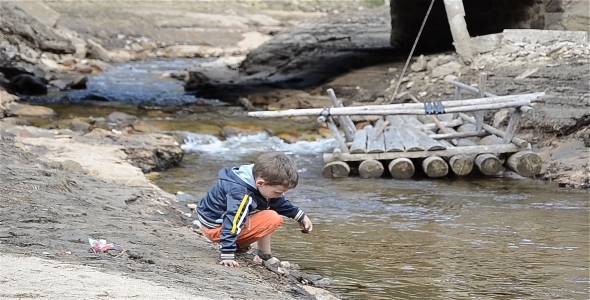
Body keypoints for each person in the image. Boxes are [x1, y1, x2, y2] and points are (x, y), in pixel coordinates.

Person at [197, 151, 313, 267]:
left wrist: (299, 215)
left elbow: (277, 201)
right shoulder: (241, 194)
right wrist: (227, 253)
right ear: (260, 183)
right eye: (278, 192)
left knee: (268, 207)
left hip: (215, 221)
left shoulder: (256, 176)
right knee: (272, 218)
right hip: (216, 228)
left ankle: (264, 254)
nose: (280, 195)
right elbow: (233, 220)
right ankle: (241, 247)